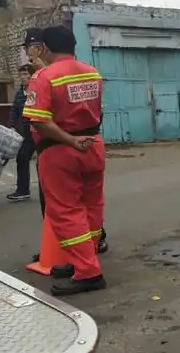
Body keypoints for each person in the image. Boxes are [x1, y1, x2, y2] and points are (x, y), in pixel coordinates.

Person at [23, 25, 107, 296]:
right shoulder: (93, 72)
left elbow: (40, 121)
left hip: (61, 150)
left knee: (66, 211)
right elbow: (97, 111)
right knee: (92, 206)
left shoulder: (44, 77)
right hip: (93, 145)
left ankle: (88, 271)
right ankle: (84, 260)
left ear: (44, 48)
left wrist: (70, 141)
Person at [7, 61, 38, 202]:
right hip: (24, 131)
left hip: (38, 129)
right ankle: (23, 190)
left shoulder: (36, 90)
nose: (23, 77)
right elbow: (15, 111)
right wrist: (12, 126)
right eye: (21, 75)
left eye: (25, 74)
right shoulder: (20, 93)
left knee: (45, 161)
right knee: (22, 158)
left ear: (32, 75)